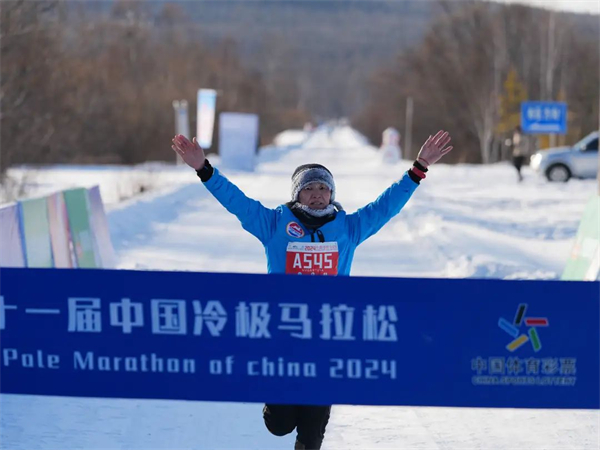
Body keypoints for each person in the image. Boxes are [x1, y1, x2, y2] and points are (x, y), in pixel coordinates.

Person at [171, 130, 453, 450]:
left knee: (311, 432)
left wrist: (418, 168)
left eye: (323, 188)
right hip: (284, 336)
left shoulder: (348, 229)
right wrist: (204, 169)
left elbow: (385, 207)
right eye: (309, 188)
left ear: (331, 194)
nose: (317, 194)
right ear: (297, 194)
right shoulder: (274, 225)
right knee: (279, 426)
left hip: (328, 340)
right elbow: (237, 202)